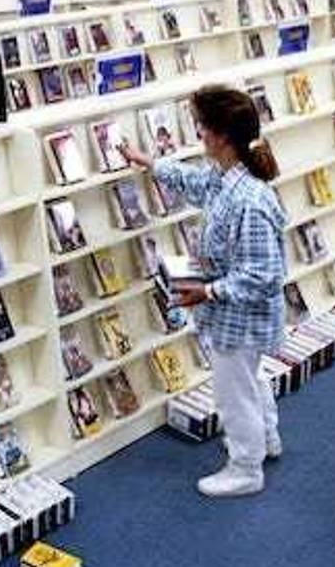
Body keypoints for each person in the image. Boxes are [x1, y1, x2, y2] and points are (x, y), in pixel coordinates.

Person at [120, 84, 287, 498]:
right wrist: (151, 164)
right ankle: (265, 439)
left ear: (221, 136)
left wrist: (208, 292)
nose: (198, 133)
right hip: (239, 316)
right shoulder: (228, 177)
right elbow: (195, 183)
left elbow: (265, 274)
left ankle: (246, 469)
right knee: (249, 380)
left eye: (201, 126)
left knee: (234, 394)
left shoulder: (249, 199)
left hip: (239, 316)